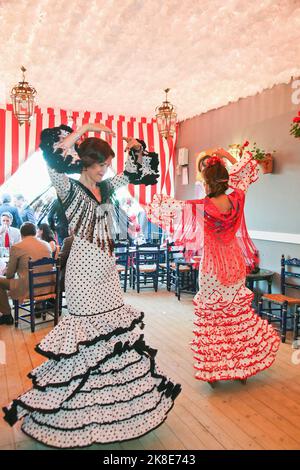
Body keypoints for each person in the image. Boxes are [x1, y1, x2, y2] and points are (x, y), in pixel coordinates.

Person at [3, 122, 180, 448]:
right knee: (86, 338)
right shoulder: (67, 188)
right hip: (83, 271)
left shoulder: (109, 187)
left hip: (107, 270)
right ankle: (73, 408)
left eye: (107, 165)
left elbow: (138, 172)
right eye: (100, 164)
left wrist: (136, 147)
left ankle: (116, 407)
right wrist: (85, 127)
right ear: (85, 161)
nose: (104, 171)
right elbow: (53, 156)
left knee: (114, 339)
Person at [146, 148, 280, 387]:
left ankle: (215, 371)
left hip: (211, 267)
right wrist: (226, 156)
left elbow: (164, 209)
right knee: (236, 316)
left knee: (213, 319)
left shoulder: (201, 206)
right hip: (235, 263)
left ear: (207, 184)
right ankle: (242, 368)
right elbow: (247, 168)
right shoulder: (238, 198)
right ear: (226, 180)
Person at [0, 222, 52, 325]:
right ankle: (38, 307)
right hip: (47, 286)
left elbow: (10, 274)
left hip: (28, 288)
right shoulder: (46, 245)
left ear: (21, 234)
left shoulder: (17, 247)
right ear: (35, 232)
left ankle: (6, 315)